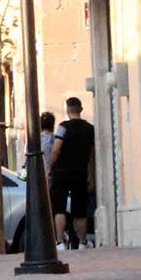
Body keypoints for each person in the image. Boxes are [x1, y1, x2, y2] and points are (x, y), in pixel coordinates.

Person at [49, 97, 97, 250]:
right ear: (81, 109)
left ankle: (60, 242)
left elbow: (56, 148)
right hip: (80, 172)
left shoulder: (63, 127)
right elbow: (91, 155)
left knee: (59, 208)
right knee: (80, 209)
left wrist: (50, 167)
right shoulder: (90, 129)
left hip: (61, 172)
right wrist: (91, 175)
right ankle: (82, 242)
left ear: (67, 110)